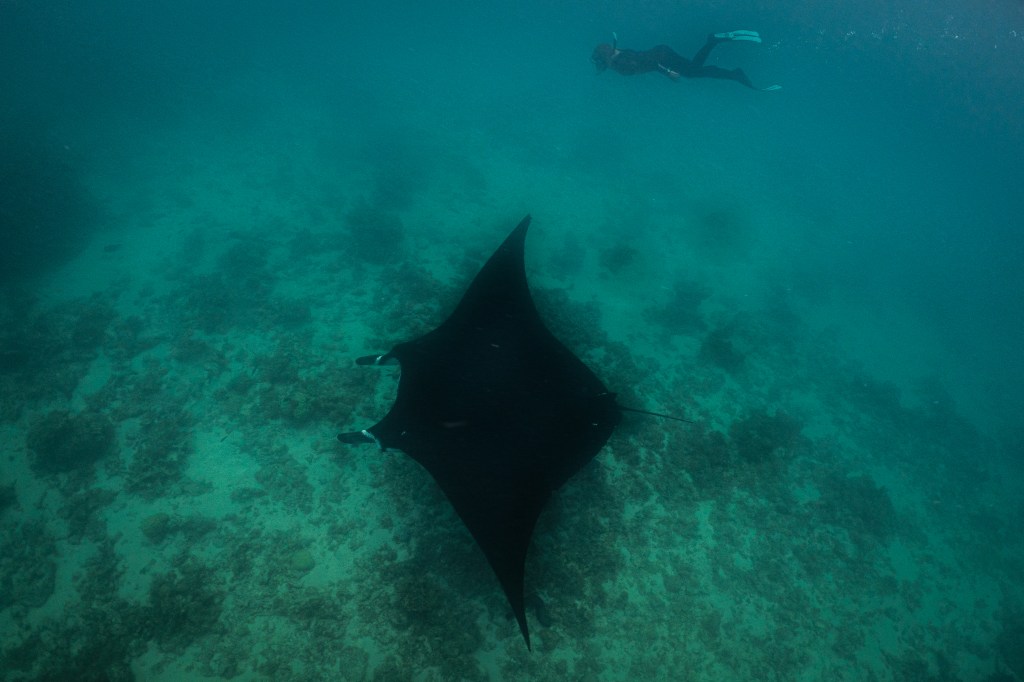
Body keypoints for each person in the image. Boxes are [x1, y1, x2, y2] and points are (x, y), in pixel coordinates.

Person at [591, 30, 781, 91]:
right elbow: (640, 59)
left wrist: (667, 72)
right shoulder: (618, 53)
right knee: (693, 69)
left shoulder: (619, 65)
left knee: (692, 71)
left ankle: (733, 73)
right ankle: (713, 44)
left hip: (661, 57)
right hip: (661, 52)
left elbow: (647, 64)